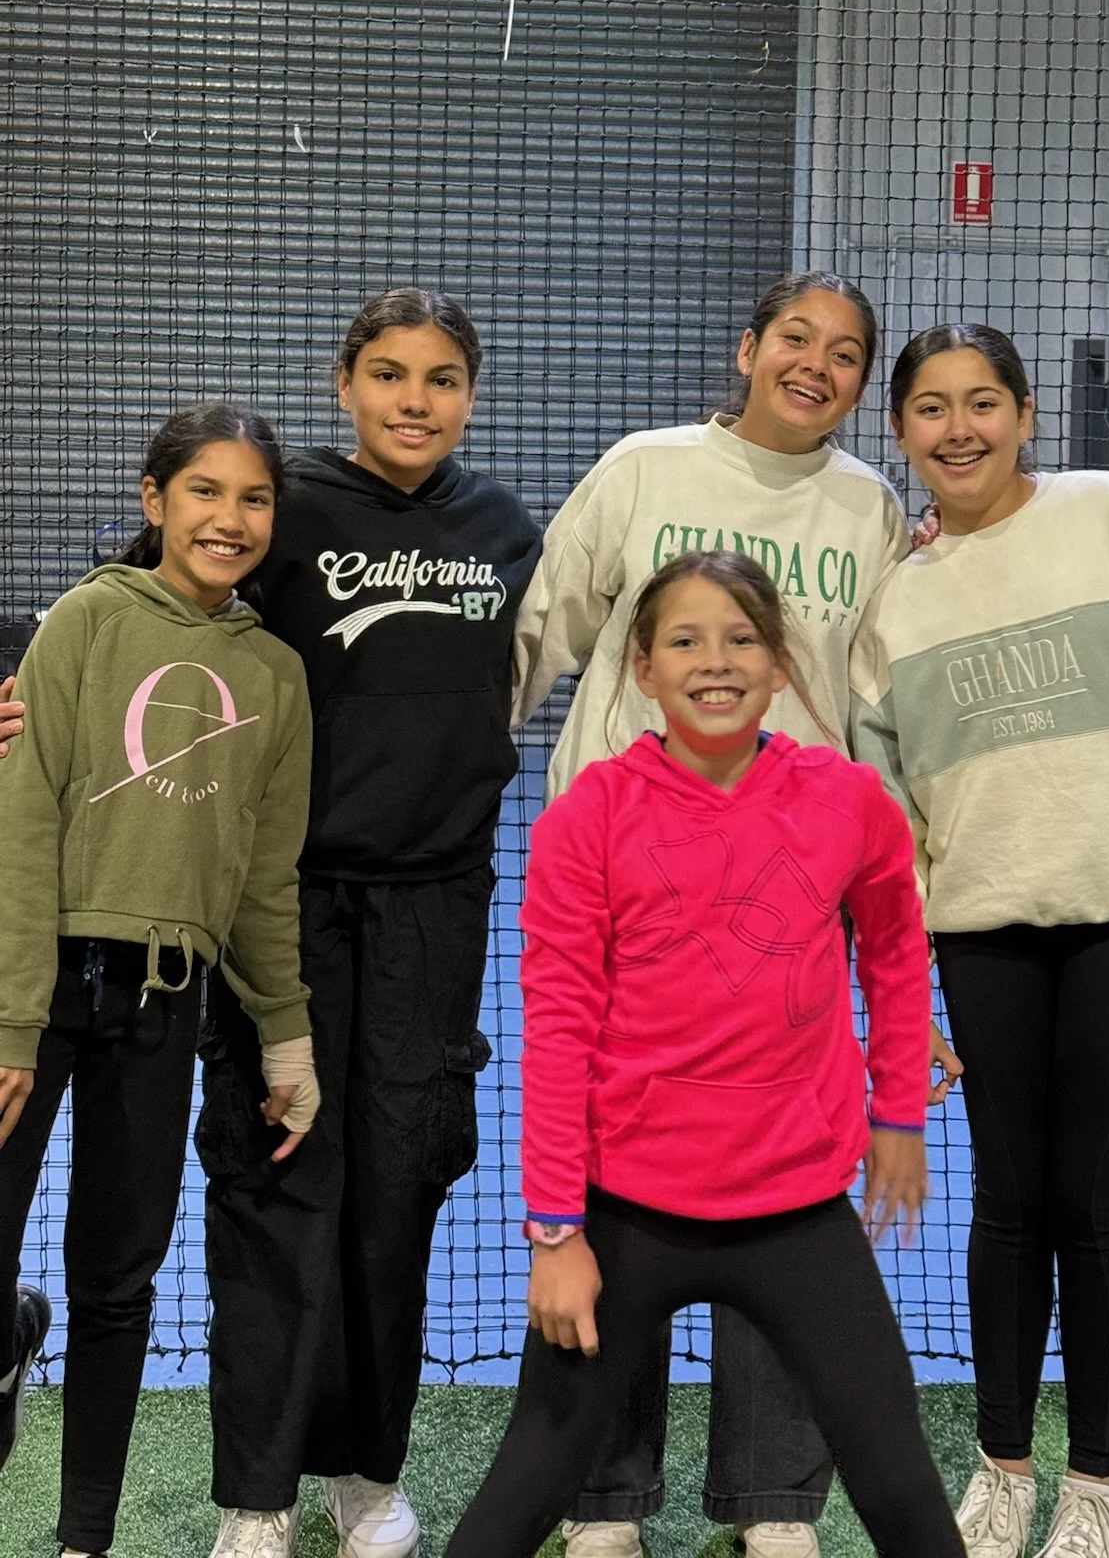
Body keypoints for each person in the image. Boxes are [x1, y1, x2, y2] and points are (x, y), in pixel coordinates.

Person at [448, 549, 965, 1558]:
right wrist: (556, 1234)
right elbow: (555, 1028)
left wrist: (897, 1107)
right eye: (684, 638)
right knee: (520, 1493)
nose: (714, 660)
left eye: (741, 639)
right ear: (642, 666)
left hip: (799, 1215)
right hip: (625, 1216)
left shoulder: (847, 798)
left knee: (902, 1484)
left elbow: (898, 952)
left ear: (779, 663)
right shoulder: (587, 817)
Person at [512, 271, 911, 1558]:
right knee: (622, 1181)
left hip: (789, 900)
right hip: (631, 886)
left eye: (847, 353)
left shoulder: (869, 509)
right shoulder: (643, 467)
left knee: (780, 1183)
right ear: (746, 346)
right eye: (797, 337)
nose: (817, 364)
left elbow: (879, 711)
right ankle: (606, 1499)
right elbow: (540, 627)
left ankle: (774, 1500)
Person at [851, 324, 1109, 1558]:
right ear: (902, 429)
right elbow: (890, 812)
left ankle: (1098, 1486)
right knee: (1010, 1199)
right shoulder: (895, 594)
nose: (957, 428)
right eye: (929, 408)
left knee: (1092, 1193)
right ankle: (1005, 1467)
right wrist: (906, 979)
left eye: (981, 403)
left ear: (1026, 413)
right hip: (982, 933)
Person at [194, 289, 541, 1558]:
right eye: (389, 373)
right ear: (344, 382)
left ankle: (366, 1476)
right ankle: (257, 1497)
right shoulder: (283, 506)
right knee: (278, 1183)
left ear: (470, 392)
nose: (414, 398)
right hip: (283, 908)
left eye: (443, 376)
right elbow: (146, 608)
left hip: (436, 916)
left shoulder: (505, 528)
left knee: (397, 1198)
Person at [0, 403, 318, 1558]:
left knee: (119, 1284)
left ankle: (84, 1537)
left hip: (164, 1009)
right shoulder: (82, 621)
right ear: (154, 499)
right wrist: (12, 1022)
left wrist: (285, 1033)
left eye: (254, 498)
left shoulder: (276, 676)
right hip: (39, 996)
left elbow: (265, 878)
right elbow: (24, 828)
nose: (229, 519)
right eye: (205, 492)